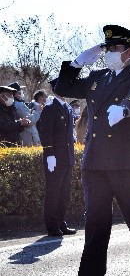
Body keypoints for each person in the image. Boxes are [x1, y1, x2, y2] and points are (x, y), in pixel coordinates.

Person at [50, 24, 130, 276]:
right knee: (96, 220)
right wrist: (76, 63)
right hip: (95, 160)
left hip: (126, 162)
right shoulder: (98, 77)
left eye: (115, 48)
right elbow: (63, 87)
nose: (109, 53)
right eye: (106, 48)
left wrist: (124, 109)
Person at [35, 90, 77, 237]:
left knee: (64, 193)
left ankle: (61, 222)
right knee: (54, 192)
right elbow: (45, 132)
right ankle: (52, 225)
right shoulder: (50, 107)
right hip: (55, 157)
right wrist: (49, 153)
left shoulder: (67, 107)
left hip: (67, 157)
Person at [0, 82, 28, 146]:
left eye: (12, 95)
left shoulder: (12, 108)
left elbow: (17, 126)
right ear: (1, 96)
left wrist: (22, 123)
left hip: (15, 143)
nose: (11, 97)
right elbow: (3, 126)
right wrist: (19, 123)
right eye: (9, 95)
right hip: (3, 146)